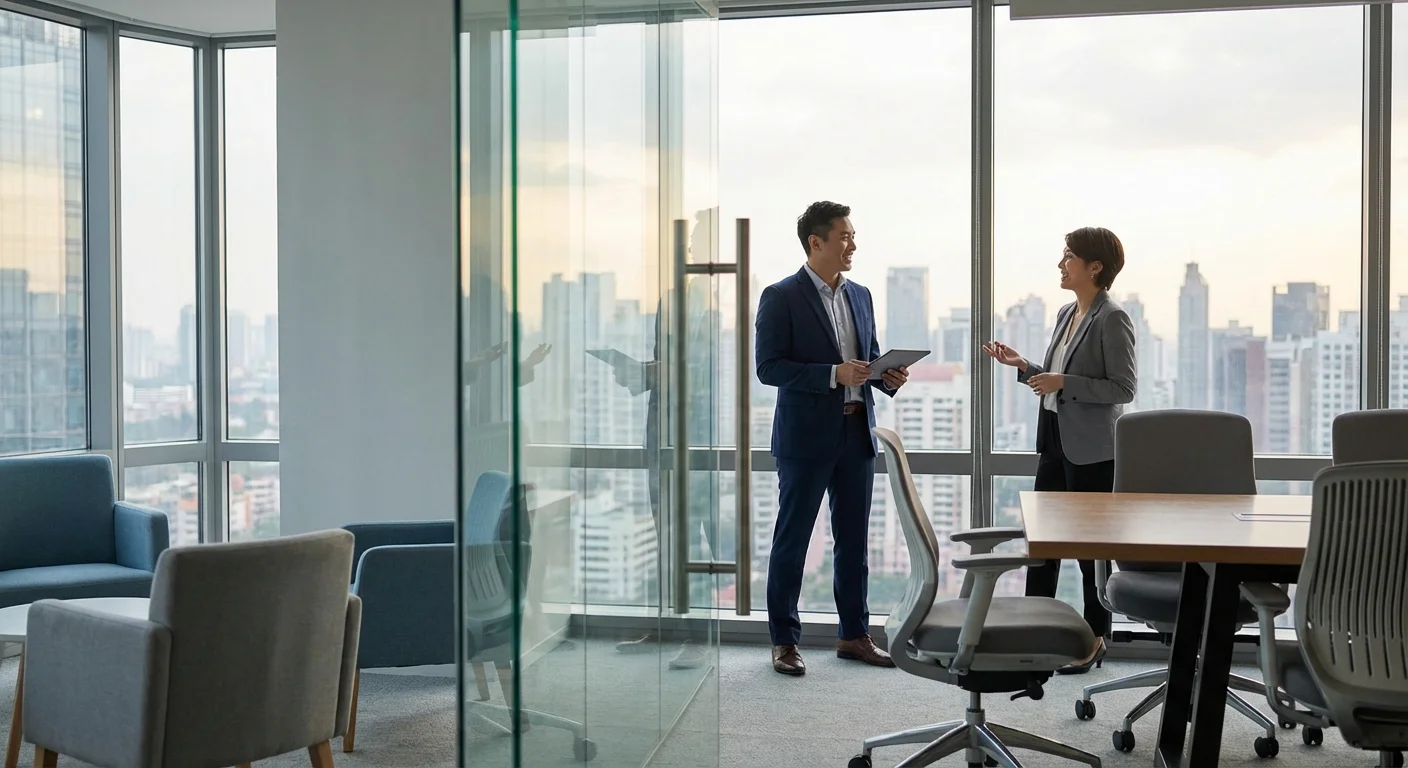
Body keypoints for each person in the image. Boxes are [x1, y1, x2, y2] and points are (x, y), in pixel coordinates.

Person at [755, 200, 909, 676]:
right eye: (844, 236)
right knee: (793, 540)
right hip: (805, 438)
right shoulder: (780, 296)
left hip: (856, 431)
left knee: (853, 542)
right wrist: (831, 374)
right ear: (815, 242)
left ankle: (853, 635)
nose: (852, 245)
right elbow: (768, 368)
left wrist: (888, 376)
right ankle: (784, 640)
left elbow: (871, 357)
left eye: (853, 236)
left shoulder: (860, 295)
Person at [982, 226, 1136, 674]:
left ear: (1095, 266)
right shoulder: (1067, 312)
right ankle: (1034, 633)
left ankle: (1096, 639)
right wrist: (1024, 366)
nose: (1060, 264)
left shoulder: (1112, 318)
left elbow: (1122, 387)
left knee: (1090, 552)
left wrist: (1062, 382)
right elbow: (1053, 378)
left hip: (1092, 450)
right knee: (1042, 543)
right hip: (1052, 437)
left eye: (1068, 256)